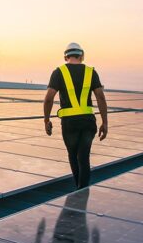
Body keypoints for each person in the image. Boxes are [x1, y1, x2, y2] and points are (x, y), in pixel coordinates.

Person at [43, 42, 108, 189]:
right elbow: (101, 97)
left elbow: (48, 98)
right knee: (84, 158)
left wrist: (46, 120)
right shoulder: (91, 72)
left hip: (69, 124)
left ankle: (79, 189)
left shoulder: (59, 72)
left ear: (66, 56)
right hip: (88, 122)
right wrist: (105, 123)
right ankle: (82, 190)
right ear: (82, 56)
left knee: (73, 156)